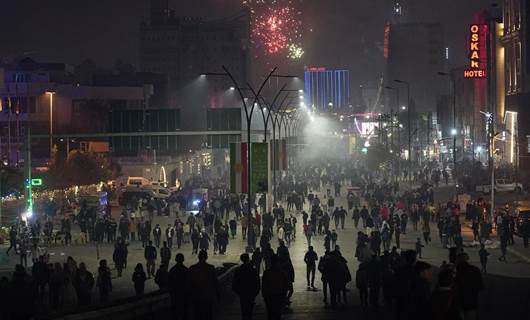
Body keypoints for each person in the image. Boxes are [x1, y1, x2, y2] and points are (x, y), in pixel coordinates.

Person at [189, 250, 219, 320]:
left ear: (198, 257)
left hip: (196, 296)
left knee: (197, 315)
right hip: (207, 297)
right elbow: (215, 283)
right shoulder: (211, 268)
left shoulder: (192, 268)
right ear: (206, 257)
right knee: (207, 315)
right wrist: (217, 295)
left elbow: (189, 284)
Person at [455, 252, 483, 320]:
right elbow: (480, 285)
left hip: (460, 300)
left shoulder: (457, 270)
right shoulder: (475, 269)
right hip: (472, 300)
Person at [232, 253, 261, 320]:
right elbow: (257, 283)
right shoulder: (253, 270)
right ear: (248, 259)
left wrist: (239, 292)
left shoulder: (239, 270)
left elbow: (235, 283)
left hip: (242, 293)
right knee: (250, 311)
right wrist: (255, 292)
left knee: (244, 311)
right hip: (251, 293)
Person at [262, 254, 288, 320]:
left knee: (270, 314)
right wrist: (284, 297)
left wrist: (264, 296)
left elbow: (264, 286)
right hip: (279, 295)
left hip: (269, 296)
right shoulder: (282, 273)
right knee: (277, 314)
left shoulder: (266, 273)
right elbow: (285, 286)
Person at [169, 253, 190, 320]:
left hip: (175, 295)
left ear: (175, 260)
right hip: (184, 295)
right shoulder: (186, 270)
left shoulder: (172, 270)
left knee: (175, 314)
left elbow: (169, 283)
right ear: (183, 260)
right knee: (184, 313)